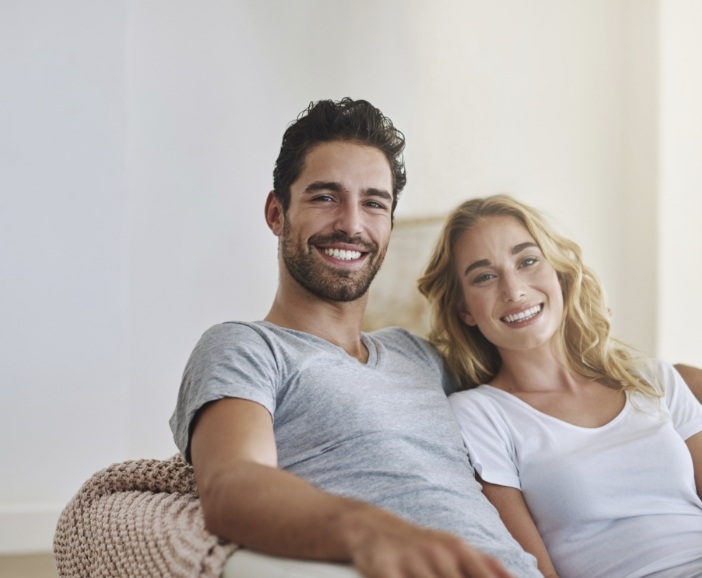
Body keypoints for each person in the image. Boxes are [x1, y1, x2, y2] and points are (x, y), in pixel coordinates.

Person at [169, 99, 542, 578]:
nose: (351, 223)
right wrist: (374, 531)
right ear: (276, 213)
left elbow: (536, 394)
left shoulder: (420, 356)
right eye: (325, 197)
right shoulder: (245, 348)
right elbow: (233, 486)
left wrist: (656, 381)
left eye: (373, 203)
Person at [418, 194, 702, 578]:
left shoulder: (653, 378)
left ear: (560, 273)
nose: (514, 290)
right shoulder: (480, 414)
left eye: (527, 261)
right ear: (465, 310)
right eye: (484, 276)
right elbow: (529, 567)